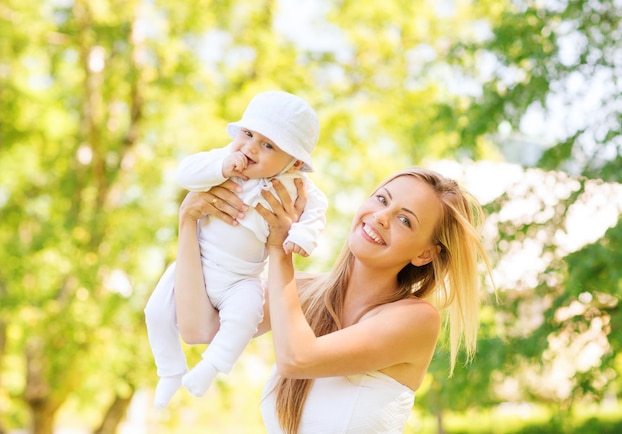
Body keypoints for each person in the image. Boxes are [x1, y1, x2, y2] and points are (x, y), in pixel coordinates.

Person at [174, 167, 492, 433]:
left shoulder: (417, 319)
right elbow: (198, 329)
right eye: (382, 199)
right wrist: (189, 221)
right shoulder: (300, 293)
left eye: (405, 220)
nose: (381, 217)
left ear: (424, 253)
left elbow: (296, 359)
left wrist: (279, 247)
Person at [144, 90, 328, 409]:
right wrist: (221, 169)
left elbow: (316, 214)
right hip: (197, 261)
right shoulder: (224, 160)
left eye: (268, 145)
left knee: (244, 316)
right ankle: (170, 370)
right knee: (156, 311)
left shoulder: (298, 187)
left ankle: (211, 366)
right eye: (247, 134)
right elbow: (185, 172)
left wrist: (303, 237)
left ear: (295, 161)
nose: (250, 148)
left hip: (241, 278)